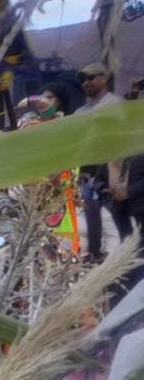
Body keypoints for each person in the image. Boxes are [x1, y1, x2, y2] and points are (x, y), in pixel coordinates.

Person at [75, 62, 127, 261]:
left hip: (110, 178)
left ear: (104, 78)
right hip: (85, 179)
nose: (86, 82)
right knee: (92, 229)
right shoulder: (80, 112)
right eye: (83, 79)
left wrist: (119, 178)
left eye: (91, 77)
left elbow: (122, 141)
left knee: (114, 230)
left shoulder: (116, 104)